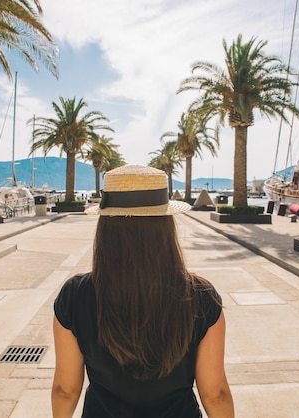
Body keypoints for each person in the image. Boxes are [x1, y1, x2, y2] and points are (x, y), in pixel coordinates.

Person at [52, 165, 234, 417]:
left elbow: (65, 389)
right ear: (166, 227)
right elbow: (215, 394)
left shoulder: (74, 296)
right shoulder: (201, 297)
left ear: (105, 227)